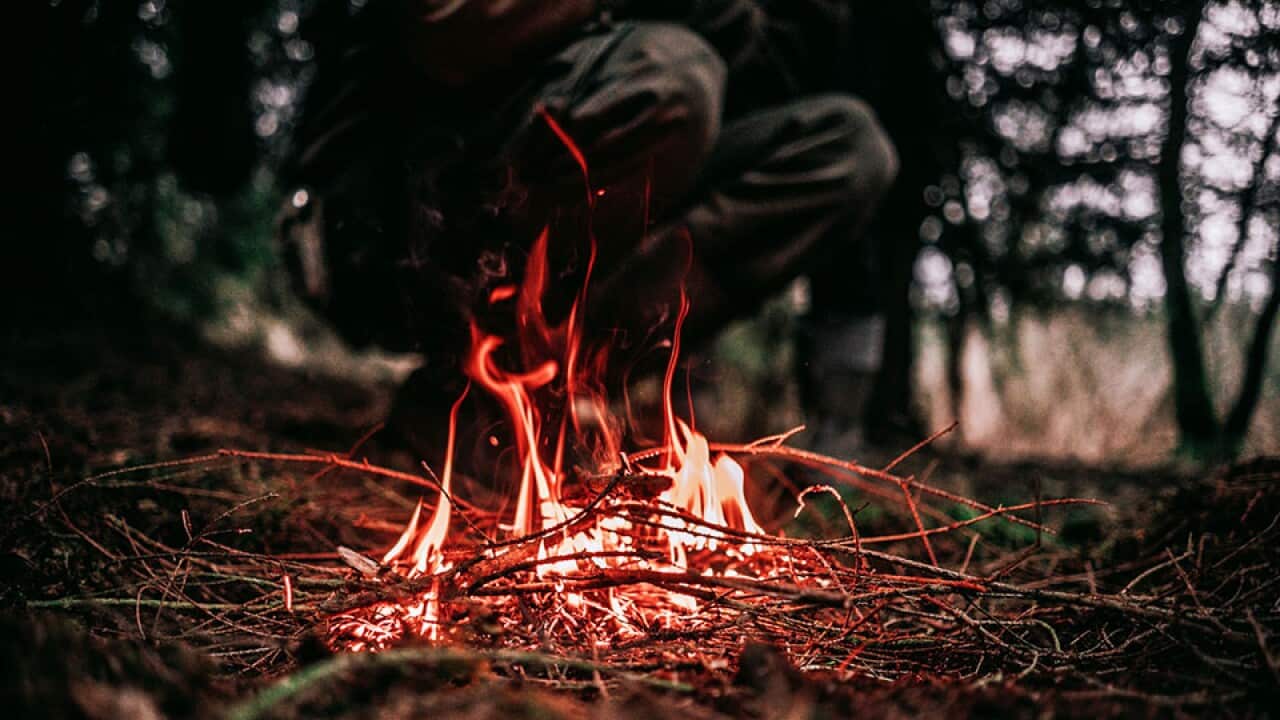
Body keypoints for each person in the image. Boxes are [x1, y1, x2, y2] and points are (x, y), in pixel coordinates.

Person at [281, 0, 898, 475]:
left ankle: (513, 398)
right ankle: (486, 376)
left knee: (845, 150)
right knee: (671, 76)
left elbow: (757, 89)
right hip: (383, 221)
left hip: (554, 172)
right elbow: (443, 30)